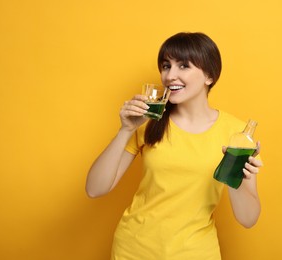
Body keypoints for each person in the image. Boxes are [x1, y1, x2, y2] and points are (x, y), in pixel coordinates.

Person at [85, 32, 263, 260]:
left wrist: (234, 173)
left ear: (209, 75)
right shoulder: (147, 122)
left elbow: (248, 219)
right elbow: (95, 189)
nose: (170, 76)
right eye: (166, 66)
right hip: (134, 250)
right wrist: (125, 130)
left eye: (183, 66)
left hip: (196, 253)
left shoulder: (237, 134)